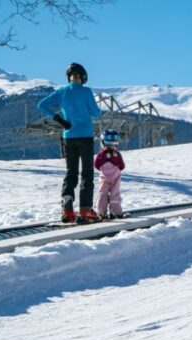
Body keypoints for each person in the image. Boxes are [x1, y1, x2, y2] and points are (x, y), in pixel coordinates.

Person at [38, 62, 102, 222]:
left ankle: (67, 209)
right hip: (85, 137)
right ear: (82, 77)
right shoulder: (86, 91)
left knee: (71, 172)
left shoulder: (61, 92)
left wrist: (60, 120)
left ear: (69, 77)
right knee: (87, 173)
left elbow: (41, 105)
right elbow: (96, 113)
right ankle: (86, 210)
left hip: (68, 137)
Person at [94, 129, 126, 219]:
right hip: (115, 178)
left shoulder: (100, 154)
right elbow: (122, 166)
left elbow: (96, 164)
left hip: (104, 178)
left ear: (103, 142)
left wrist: (103, 169)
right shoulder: (117, 154)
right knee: (115, 194)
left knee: (102, 194)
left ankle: (101, 213)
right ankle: (116, 212)